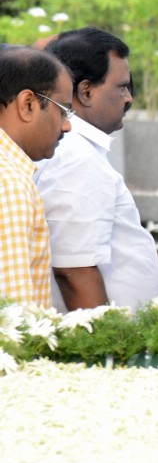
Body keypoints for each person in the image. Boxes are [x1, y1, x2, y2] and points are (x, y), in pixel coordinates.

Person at [35, 28, 158, 310]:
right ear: (86, 91)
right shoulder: (74, 154)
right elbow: (74, 270)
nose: (129, 98)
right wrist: (107, 347)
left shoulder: (77, 149)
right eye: (121, 87)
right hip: (106, 347)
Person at [0, 47, 73, 306]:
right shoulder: (10, 183)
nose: (67, 126)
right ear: (27, 104)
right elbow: (14, 317)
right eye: (63, 110)